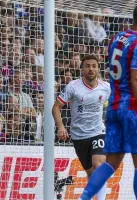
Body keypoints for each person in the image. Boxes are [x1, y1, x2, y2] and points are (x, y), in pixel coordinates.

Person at [79, 4, 137, 200]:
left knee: (110, 162)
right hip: (133, 110)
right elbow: (135, 79)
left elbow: (124, 76)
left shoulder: (117, 39)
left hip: (114, 107)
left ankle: (83, 198)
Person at [52, 54, 111, 200]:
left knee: (99, 167)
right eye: (87, 66)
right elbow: (56, 108)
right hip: (79, 136)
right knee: (92, 176)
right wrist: (60, 127)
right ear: (81, 69)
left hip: (98, 132)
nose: (91, 69)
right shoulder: (73, 87)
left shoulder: (106, 88)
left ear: (98, 69)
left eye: (94, 66)